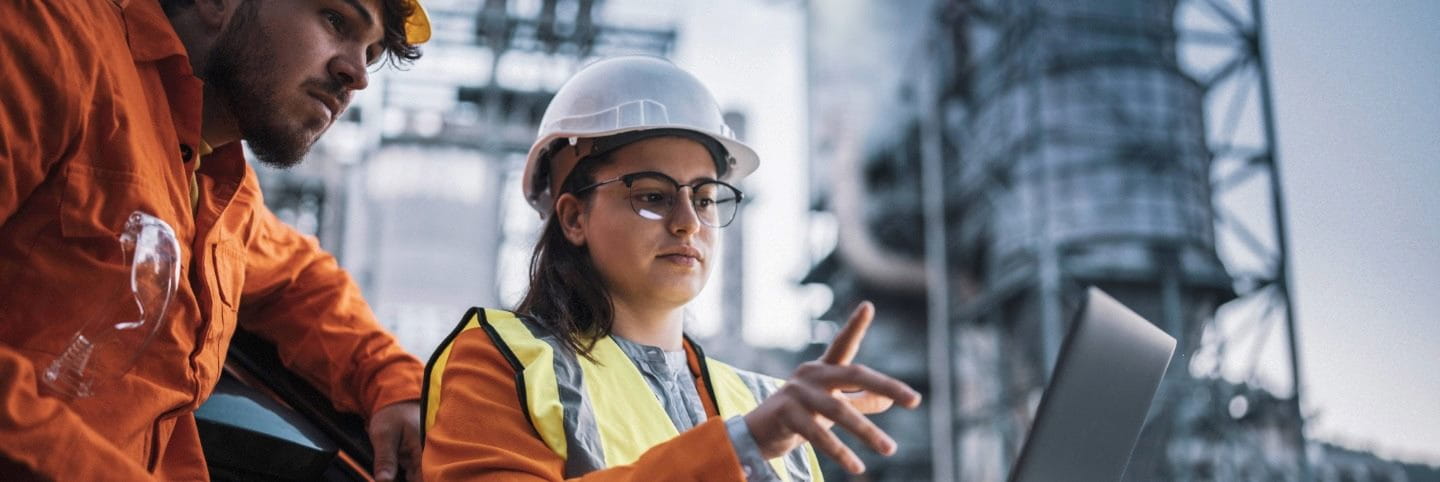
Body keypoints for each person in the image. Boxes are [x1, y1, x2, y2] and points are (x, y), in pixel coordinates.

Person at [420, 56, 922, 481]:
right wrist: (741, 443)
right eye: (653, 196)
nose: (688, 223)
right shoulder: (503, 362)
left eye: (705, 199)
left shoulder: (766, 404)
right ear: (574, 217)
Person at [0, 0, 433, 480]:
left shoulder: (223, 188)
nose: (357, 75)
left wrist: (393, 383)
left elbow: (301, 284)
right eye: (335, 20)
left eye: (370, 53)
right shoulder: (53, 42)